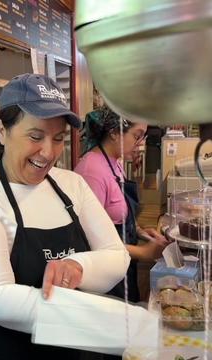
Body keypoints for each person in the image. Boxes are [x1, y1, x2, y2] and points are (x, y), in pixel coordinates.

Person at [0, 74, 130, 360]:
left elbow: (117, 256)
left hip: (61, 347)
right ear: (2, 130)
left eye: (58, 139)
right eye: (35, 136)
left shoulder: (71, 185)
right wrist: (95, 317)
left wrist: (78, 267)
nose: (49, 152)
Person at [74, 105, 169, 303]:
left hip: (124, 259)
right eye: (137, 135)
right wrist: (143, 253)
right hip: (106, 272)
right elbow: (88, 241)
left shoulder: (114, 162)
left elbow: (116, 214)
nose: (140, 143)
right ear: (115, 133)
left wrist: (141, 231)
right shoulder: (92, 171)